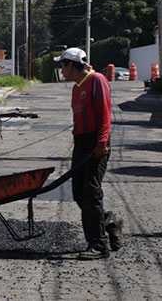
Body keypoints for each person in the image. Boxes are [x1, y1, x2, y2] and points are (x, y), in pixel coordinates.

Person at [53, 48, 123, 260]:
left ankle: (98, 244)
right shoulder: (76, 88)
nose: (60, 71)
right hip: (81, 143)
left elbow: (104, 113)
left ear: (71, 65)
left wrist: (101, 143)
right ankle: (109, 221)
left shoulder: (97, 80)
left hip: (96, 142)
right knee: (78, 192)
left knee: (91, 191)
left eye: (62, 66)